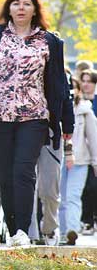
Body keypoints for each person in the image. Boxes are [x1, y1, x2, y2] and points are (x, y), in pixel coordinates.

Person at [0, 0, 74, 247]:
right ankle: (14, 231)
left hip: (33, 116)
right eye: (15, 4)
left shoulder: (50, 41)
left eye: (26, 4)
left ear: (35, 10)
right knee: (5, 174)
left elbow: (59, 85)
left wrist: (67, 123)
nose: (20, 8)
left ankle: (23, 230)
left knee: (23, 171)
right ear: (8, 9)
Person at [59, 77, 97, 245]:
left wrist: (95, 162)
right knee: (60, 197)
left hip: (80, 160)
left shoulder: (85, 110)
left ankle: (71, 230)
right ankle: (61, 231)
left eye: (73, 88)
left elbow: (93, 137)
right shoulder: (54, 108)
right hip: (59, 159)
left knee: (73, 196)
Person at [79, 70, 97, 235]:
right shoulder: (79, 102)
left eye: (89, 81)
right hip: (83, 152)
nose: (86, 84)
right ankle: (87, 221)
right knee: (87, 186)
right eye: (83, 80)